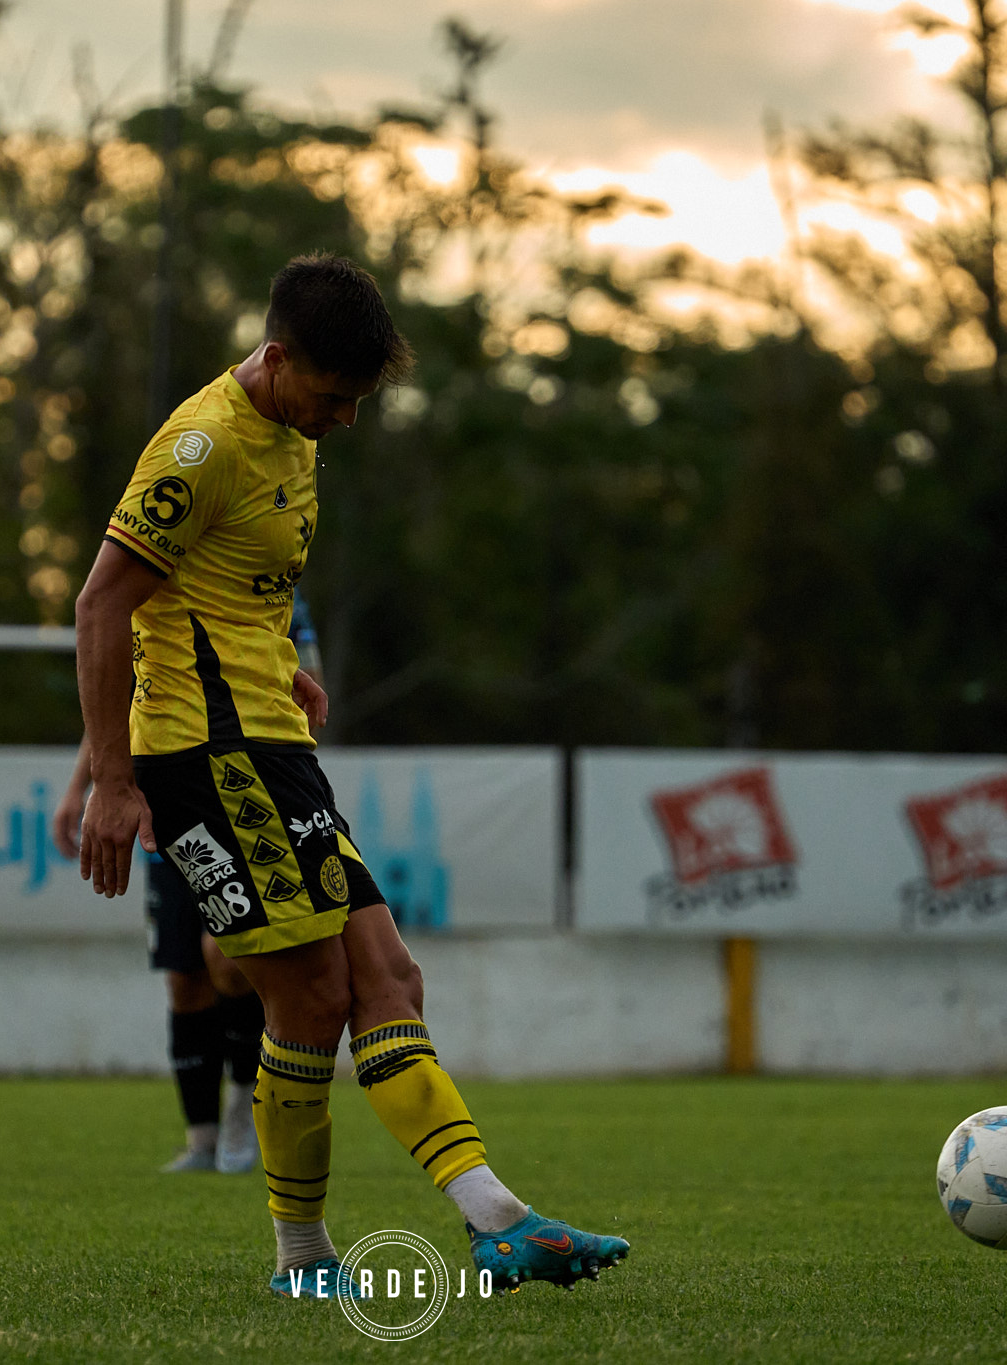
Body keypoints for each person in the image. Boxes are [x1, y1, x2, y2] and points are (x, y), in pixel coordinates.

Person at [73, 254, 629, 1300]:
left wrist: (281, 662)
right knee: (313, 998)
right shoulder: (200, 447)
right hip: (206, 752)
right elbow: (102, 605)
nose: (345, 422)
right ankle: (304, 1259)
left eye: (358, 400)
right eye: (332, 398)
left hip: (271, 739)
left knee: (390, 982)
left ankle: (498, 1224)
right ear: (276, 360)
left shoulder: (290, 426)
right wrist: (111, 781)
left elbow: (225, 583)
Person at [53, 599, 324, 1176]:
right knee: (183, 974)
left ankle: (240, 1115)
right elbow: (119, 696)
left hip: (230, 785)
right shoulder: (147, 585)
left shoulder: (267, 591)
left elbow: (308, 681)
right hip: (160, 794)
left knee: (226, 955)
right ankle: (200, 1140)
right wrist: (82, 786)